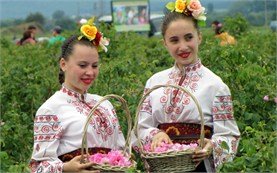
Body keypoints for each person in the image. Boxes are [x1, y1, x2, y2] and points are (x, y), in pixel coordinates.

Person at [135, 0, 240, 172]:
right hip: (161, 166)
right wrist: (156, 135)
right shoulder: (154, 82)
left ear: (199, 37)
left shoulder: (216, 85)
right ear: (165, 43)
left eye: (189, 37)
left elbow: (229, 135)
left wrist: (211, 145)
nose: (183, 46)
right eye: (174, 40)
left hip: (199, 166)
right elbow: (140, 128)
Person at [29, 18, 123, 173]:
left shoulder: (104, 103)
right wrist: (65, 168)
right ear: (63, 64)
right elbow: (38, 166)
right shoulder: (51, 109)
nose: (90, 72)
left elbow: (121, 148)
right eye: (82, 65)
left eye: (94, 66)